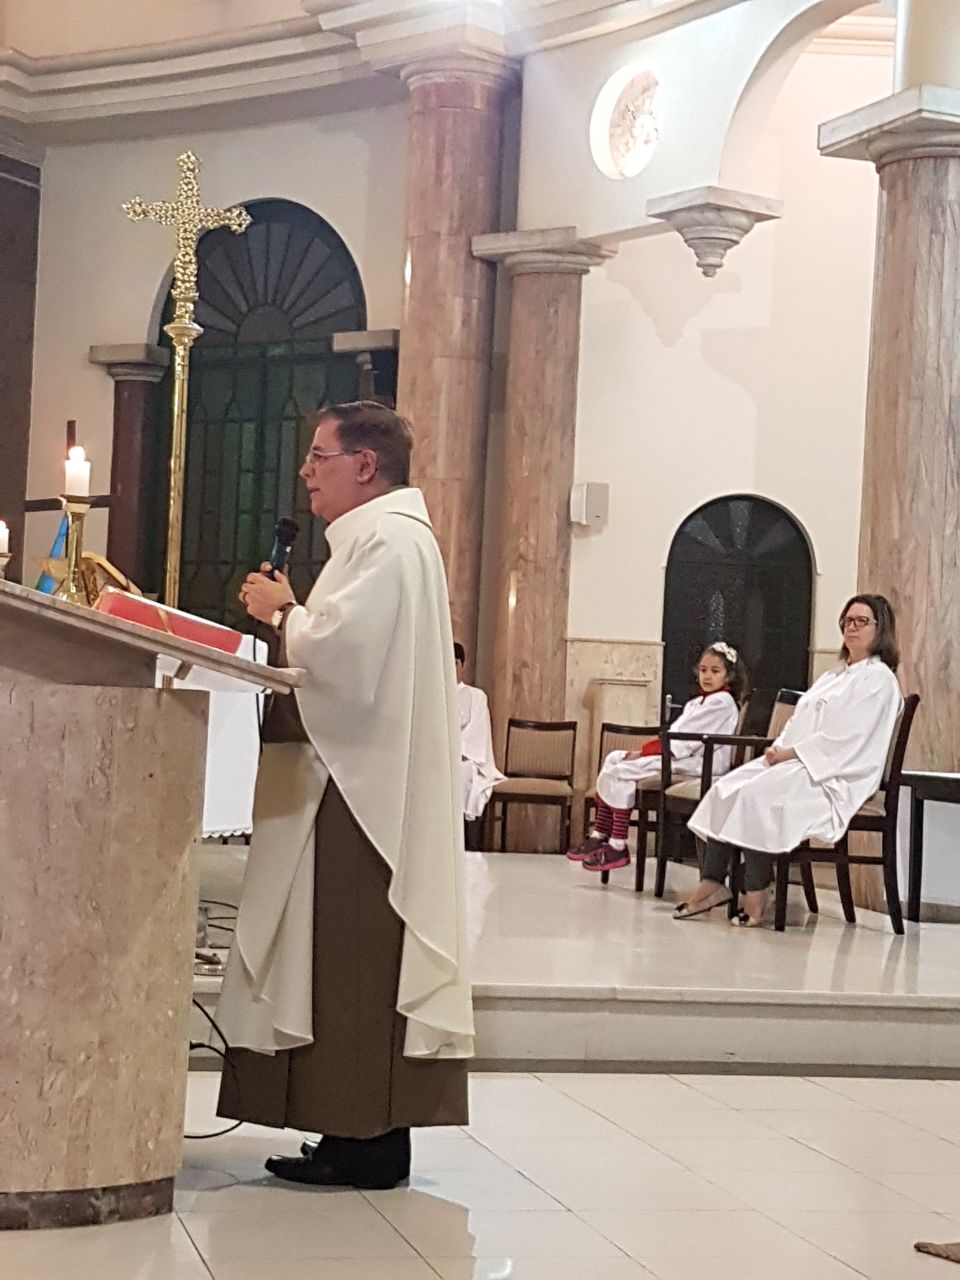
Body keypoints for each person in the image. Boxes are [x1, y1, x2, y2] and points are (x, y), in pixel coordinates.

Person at [215, 401, 474, 1190]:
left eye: (319, 456)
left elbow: (345, 658)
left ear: (366, 464)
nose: (306, 471)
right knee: (340, 964)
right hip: (355, 778)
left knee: (354, 965)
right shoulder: (376, 539)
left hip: (363, 793)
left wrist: (284, 612)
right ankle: (349, 1132)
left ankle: (367, 1143)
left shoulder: (390, 540)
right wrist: (296, 615)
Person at [675, 593, 903, 926]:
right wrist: (778, 748)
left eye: (861, 621)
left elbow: (849, 737)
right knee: (727, 788)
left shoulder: (879, 679)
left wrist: (792, 754)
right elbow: (799, 721)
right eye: (847, 620)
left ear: (881, 628)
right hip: (799, 761)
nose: (851, 627)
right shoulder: (834, 676)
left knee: (758, 795)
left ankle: (757, 891)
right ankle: (712, 882)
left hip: (835, 773)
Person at [567, 642, 748, 874]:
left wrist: (645, 752)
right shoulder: (697, 702)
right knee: (614, 758)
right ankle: (599, 834)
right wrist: (650, 750)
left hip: (702, 762)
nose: (707, 676)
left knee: (622, 771)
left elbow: (686, 740)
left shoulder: (721, 702)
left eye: (715, 671)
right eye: (703, 670)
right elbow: (677, 735)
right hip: (684, 755)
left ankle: (617, 844)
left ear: (728, 676)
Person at [455, 642, 505, 851]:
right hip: (435, 759)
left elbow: (477, 733)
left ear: (459, 664)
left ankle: (469, 845)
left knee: (465, 776)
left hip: (465, 759)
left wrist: (456, 751)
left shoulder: (476, 696)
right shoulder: (431, 697)